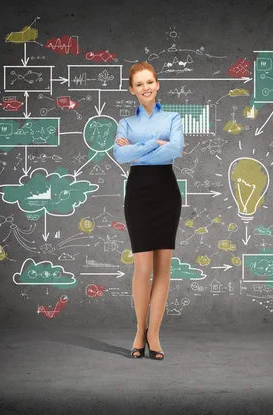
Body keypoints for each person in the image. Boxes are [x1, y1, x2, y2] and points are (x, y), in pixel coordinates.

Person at [112, 62, 184, 360]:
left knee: (163, 268)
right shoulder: (125, 122)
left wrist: (138, 148)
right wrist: (155, 142)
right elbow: (119, 153)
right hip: (138, 193)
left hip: (167, 191)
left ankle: (153, 334)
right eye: (139, 84)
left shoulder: (174, 117)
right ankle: (139, 331)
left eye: (150, 82)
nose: (146, 88)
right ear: (132, 90)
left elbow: (176, 150)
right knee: (142, 268)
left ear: (158, 84)